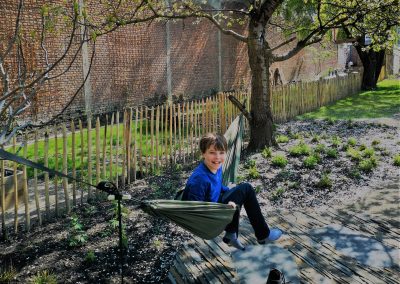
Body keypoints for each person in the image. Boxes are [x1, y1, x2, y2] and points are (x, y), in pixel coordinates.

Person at [182, 133, 282, 250]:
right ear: (203, 153)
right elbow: (195, 210)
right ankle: (263, 235)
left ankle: (231, 234)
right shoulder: (199, 179)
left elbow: (217, 186)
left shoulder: (215, 167)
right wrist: (223, 209)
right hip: (209, 217)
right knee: (247, 188)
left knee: (240, 192)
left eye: (221, 152)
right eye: (212, 152)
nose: (217, 157)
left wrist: (229, 190)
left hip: (215, 204)